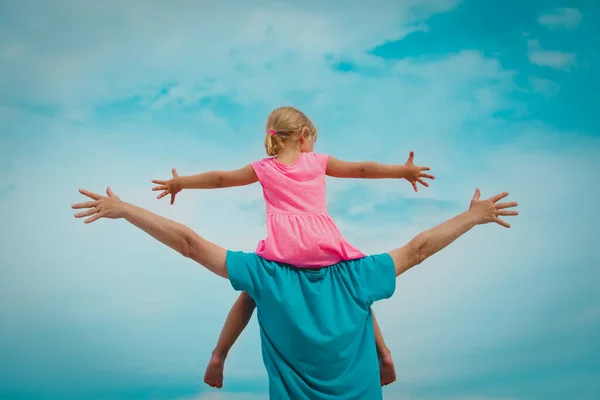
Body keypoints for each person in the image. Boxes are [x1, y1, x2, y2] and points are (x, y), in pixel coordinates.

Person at [72, 186, 518, 399]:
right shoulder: (357, 276)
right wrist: (472, 217)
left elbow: (190, 245)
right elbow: (418, 250)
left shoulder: (265, 276)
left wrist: (126, 209)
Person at [150, 106, 436, 388]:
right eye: (313, 139)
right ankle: (384, 354)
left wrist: (180, 183)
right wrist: (402, 171)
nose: (314, 146)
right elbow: (361, 170)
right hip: (324, 248)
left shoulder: (263, 168)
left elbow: (219, 179)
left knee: (252, 292)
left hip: (284, 250)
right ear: (302, 135)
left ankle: (219, 354)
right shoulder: (317, 162)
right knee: (353, 292)